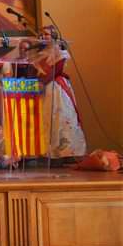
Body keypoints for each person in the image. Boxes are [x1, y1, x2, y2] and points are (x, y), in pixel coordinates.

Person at [35, 26, 86, 159]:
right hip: (43, 88)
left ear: (53, 36)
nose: (43, 36)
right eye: (41, 34)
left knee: (61, 117)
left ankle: (66, 153)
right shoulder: (39, 53)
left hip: (55, 88)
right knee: (46, 118)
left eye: (46, 34)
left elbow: (56, 70)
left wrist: (43, 82)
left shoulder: (59, 52)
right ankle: (48, 153)